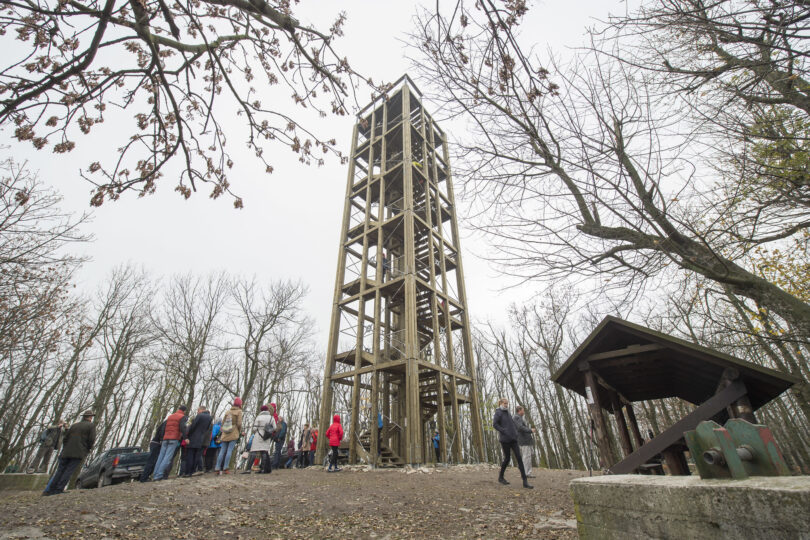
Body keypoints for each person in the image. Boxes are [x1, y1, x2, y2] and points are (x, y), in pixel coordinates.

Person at [43, 410, 95, 496]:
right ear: (90, 417)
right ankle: (59, 489)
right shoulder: (91, 426)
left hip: (66, 452)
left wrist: (66, 448)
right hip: (78, 452)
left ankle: (50, 489)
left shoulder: (74, 426)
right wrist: (87, 450)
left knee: (60, 470)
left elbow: (65, 438)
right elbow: (91, 440)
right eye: (91, 417)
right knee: (68, 471)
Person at [493, 398, 532, 489]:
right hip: (505, 440)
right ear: (501, 403)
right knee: (507, 459)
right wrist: (503, 431)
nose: (506, 405)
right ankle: (501, 477)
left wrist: (515, 433)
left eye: (507, 403)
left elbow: (512, 424)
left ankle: (525, 481)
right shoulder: (498, 412)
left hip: (513, 439)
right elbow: (495, 424)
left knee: (519, 458)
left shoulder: (508, 412)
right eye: (505, 403)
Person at [153, 405, 188, 481]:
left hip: (165, 438)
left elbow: (163, 427)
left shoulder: (170, 416)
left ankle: (155, 474)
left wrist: (162, 438)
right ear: (184, 411)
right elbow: (183, 427)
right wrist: (185, 438)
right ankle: (159, 475)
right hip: (174, 438)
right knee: (167, 457)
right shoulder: (182, 417)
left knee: (160, 457)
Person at [215, 397, 243, 475]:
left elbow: (223, 422)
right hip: (233, 432)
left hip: (225, 433)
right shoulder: (239, 412)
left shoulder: (228, 411)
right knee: (229, 450)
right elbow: (239, 423)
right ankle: (225, 467)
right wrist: (239, 430)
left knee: (222, 451)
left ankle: (217, 467)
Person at [244, 405, 274, 474]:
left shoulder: (259, 417)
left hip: (258, 435)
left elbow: (254, 428)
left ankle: (248, 469)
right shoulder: (271, 418)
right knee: (264, 452)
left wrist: (259, 428)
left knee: (254, 451)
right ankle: (262, 469)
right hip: (266, 436)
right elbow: (274, 427)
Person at [184, 405, 212, 477]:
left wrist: (188, 435)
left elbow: (193, 425)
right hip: (201, 438)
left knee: (190, 455)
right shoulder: (210, 417)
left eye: (198, 411)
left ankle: (187, 472)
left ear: (201, 410)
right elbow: (207, 428)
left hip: (193, 437)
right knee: (197, 456)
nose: (197, 412)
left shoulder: (200, 416)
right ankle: (193, 471)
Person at [513, 405, 537, 479]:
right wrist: (530, 430)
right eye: (523, 410)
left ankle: (525, 471)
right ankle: (526, 473)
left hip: (526, 440)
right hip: (524, 440)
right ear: (519, 411)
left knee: (528, 455)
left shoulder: (518, 418)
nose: (524, 412)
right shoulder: (517, 417)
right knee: (526, 457)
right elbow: (520, 427)